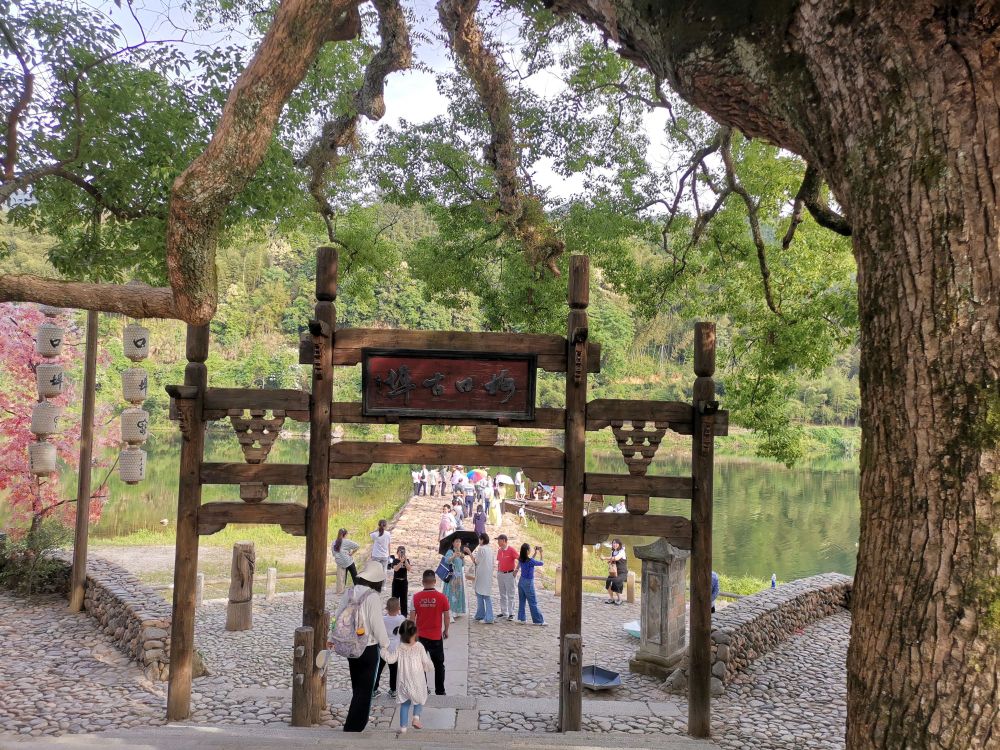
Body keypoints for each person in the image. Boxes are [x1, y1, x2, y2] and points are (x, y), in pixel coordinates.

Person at [334, 559, 390, 732]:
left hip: (351, 646)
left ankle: (353, 723)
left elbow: (338, 616)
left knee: (357, 685)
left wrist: (332, 637)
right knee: (365, 689)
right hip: (368, 647)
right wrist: (386, 644)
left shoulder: (349, 593)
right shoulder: (372, 596)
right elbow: (377, 624)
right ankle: (354, 726)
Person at [379, 619, 433, 736]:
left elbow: (390, 659)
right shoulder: (419, 646)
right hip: (417, 680)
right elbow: (426, 662)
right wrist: (428, 667)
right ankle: (416, 718)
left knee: (405, 703)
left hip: (403, 681)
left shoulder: (400, 647)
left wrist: (383, 650)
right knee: (419, 699)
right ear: (415, 633)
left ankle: (403, 727)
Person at [410, 569, 450, 696]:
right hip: (436, 637)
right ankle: (440, 691)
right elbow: (447, 616)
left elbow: (411, 619)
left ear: (423, 582)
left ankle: (423, 688)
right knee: (439, 665)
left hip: (420, 637)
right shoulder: (442, 597)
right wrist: (446, 630)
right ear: (434, 581)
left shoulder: (415, 598)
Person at [375, 597, 406, 697]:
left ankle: (374, 689)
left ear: (386, 608)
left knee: (378, 670)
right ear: (399, 608)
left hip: (383, 648)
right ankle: (393, 690)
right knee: (394, 671)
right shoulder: (401, 619)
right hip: (395, 649)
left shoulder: (383, 619)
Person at [467, 533, 495, 624]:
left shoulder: (481, 549)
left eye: (479, 539)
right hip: (488, 574)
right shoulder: (490, 549)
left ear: (482, 540)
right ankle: (480, 615)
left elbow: (475, 562)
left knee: (483, 595)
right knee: (483, 594)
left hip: (481, 575)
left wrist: (469, 552)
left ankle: (488, 617)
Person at [516, 543, 546, 625]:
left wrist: (535, 553)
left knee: (522, 601)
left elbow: (530, 560)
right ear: (527, 551)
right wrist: (541, 553)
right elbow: (541, 563)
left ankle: (521, 619)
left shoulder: (521, 559)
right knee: (533, 602)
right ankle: (538, 621)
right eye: (529, 549)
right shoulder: (530, 561)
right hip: (528, 583)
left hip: (521, 582)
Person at [442, 536, 467, 621]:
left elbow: (462, 564)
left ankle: (456, 611)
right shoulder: (450, 551)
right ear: (453, 543)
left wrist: (462, 557)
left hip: (459, 577)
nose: (458, 543)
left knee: (457, 594)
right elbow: (446, 561)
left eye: (459, 541)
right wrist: (453, 556)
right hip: (452, 577)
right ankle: (450, 612)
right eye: (456, 541)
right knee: (451, 594)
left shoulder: (460, 552)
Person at [495, 534, 518, 621]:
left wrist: (516, 569)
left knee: (510, 594)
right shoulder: (499, 550)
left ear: (504, 540)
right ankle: (504, 612)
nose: (498, 542)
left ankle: (511, 613)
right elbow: (499, 562)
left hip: (509, 574)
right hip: (501, 574)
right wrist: (498, 571)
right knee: (502, 594)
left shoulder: (511, 550)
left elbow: (519, 559)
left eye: (499, 540)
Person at [389, 546, 412, 616]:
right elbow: (395, 569)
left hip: (404, 582)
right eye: (400, 551)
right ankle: (393, 613)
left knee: (404, 599)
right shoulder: (395, 560)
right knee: (394, 599)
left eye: (403, 551)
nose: (401, 553)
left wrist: (405, 561)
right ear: (397, 552)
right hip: (396, 581)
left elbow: (409, 569)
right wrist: (400, 562)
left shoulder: (407, 560)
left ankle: (404, 614)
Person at [604, 539, 627, 605]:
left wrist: (605, 558)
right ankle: (611, 599)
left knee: (616, 581)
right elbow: (612, 560)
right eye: (613, 543)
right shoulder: (613, 552)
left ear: (619, 544)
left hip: (622, 572)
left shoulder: (622, 551)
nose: (615, 544)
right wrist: (609, 561)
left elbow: (616, 558)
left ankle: (620, 599)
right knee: (608, 581)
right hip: (614, 572)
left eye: (616, 543)